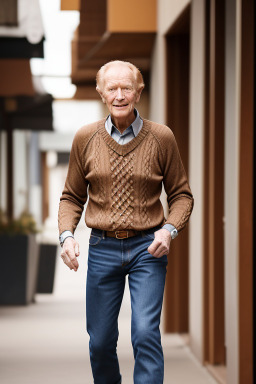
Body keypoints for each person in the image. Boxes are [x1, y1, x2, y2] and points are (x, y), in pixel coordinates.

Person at [58, 60, 193, 384]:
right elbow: (71, 197)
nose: (120, 95)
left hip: (148, 247)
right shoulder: (85, 138)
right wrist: (67, 236)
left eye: (127, 88)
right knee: (101, 342)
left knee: (145, 332)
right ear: (102, 92)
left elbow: (182, 196)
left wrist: (168, 230)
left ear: (139, 91)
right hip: (103, 247)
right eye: (113, 88)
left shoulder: (161, 138)